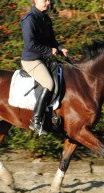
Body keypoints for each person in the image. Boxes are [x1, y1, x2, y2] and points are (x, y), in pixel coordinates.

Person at [20, 0, 68, 134]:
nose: (48, 2)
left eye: (48, 0)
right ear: (35, 1)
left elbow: (52, 40)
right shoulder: (29, 19)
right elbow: (30, 44)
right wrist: (48, 51)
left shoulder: (45, 18)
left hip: (45, 59)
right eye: (44, 0)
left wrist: (60, 48)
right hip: (31, 60)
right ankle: (36, 121)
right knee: (49, 83)